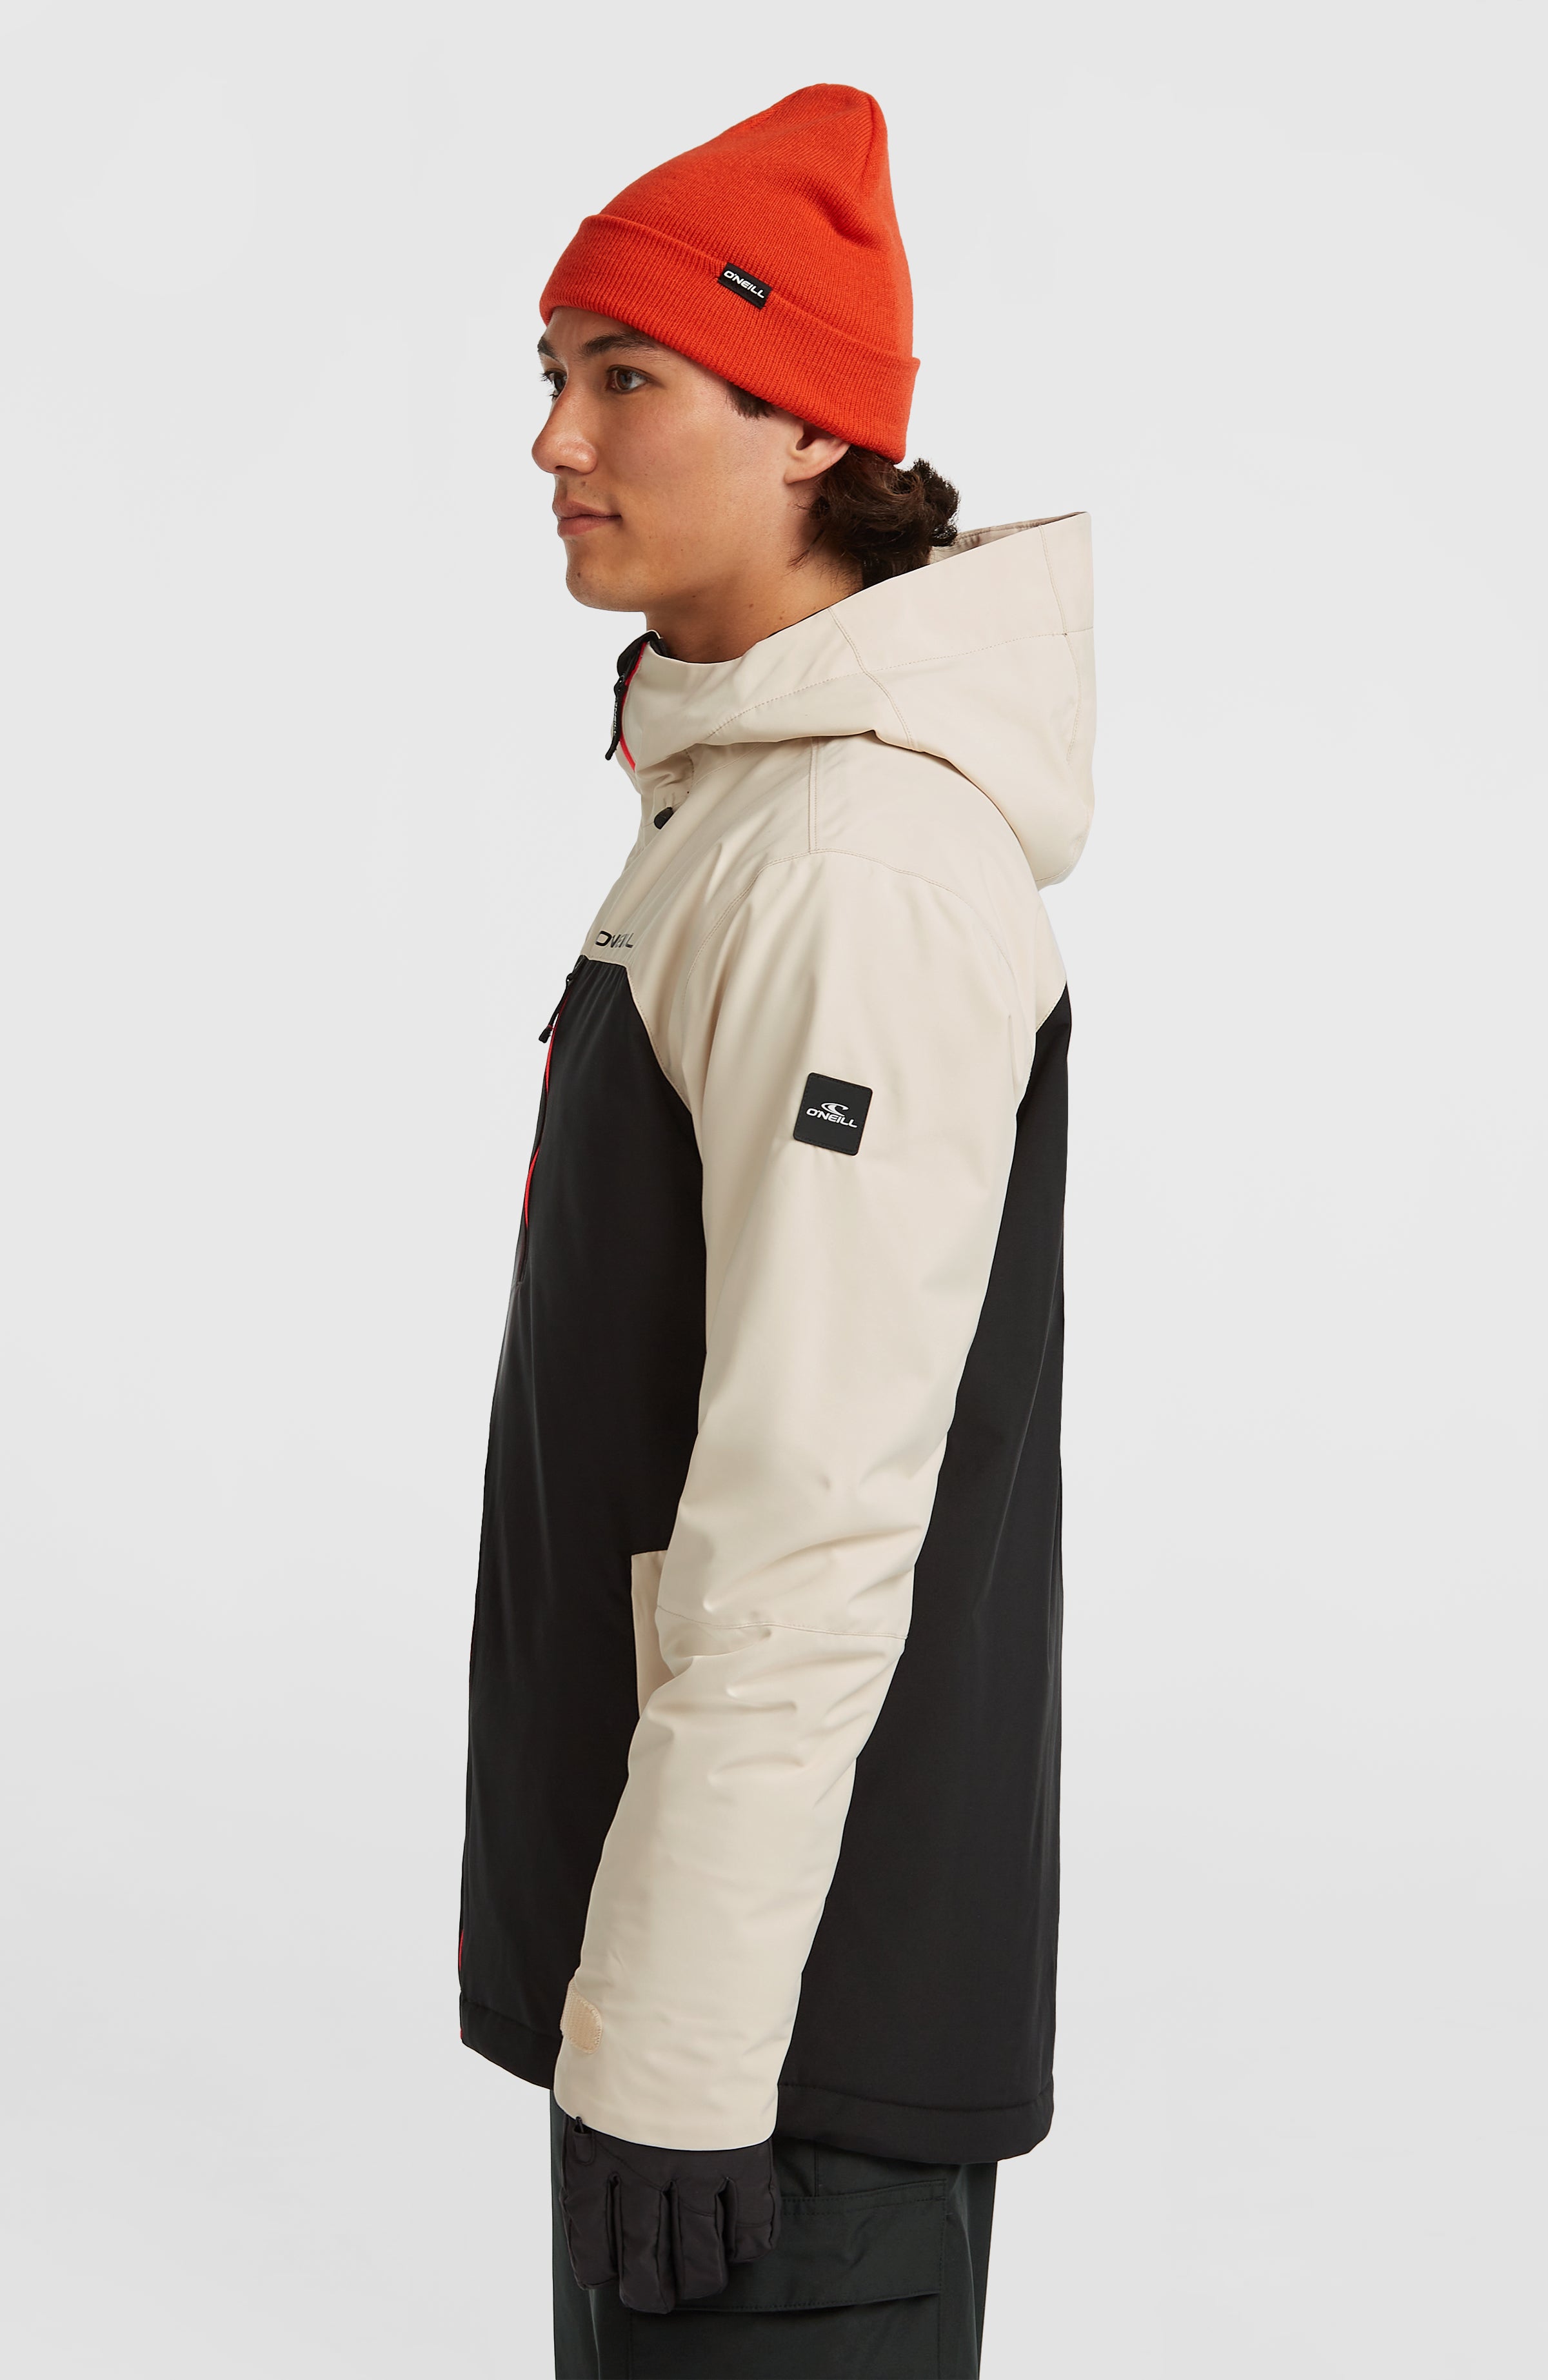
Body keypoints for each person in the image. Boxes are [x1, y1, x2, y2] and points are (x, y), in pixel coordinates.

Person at [457, 83, 1095, 2379]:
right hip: (714, 2002)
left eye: (626, 375)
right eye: (553, 370)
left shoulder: (849, 866)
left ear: (815, 426)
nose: (556, 437)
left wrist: (683, 2044)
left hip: (780, 2053)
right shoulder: (738, 814)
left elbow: (816, 1509)